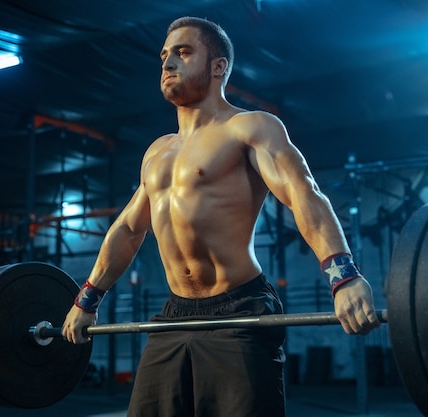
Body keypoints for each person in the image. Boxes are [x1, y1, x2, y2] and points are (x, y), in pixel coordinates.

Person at [62, 16, 380, 417]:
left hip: (240, 311)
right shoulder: (157, 151)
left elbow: (303, 194)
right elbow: (127, 229)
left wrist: (343, 275)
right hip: (175, 314)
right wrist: (87, 298)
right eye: (163, 56)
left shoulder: (249, 128)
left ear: (218, 67)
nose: (167, 64)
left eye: (182, 52)